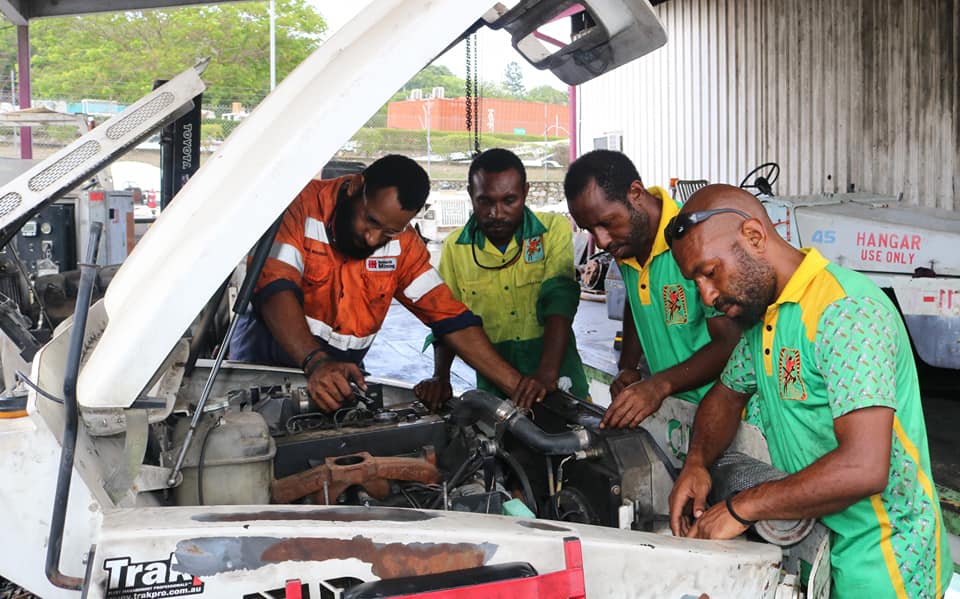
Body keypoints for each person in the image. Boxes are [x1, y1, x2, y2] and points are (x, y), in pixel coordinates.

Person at [666, 184, 951, 598]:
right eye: (695, 282)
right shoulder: (768, 316)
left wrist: (741, 507)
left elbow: (863, 467)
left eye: (709, 272)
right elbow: (726, 395)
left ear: (754, 236)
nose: (706, 296)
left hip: (884, 568)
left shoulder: (845, 313)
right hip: (816, 547)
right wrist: (697, 463)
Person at [230, 154, 545, 412]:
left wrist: (520, 389)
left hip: (338, 382)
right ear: (356, 187)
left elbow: (450, 318)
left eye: (388, 232)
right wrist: (316, 361)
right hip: (262, 374)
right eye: (370, 221)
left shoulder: (403, 244)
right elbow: (275, 287)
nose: (372, 239)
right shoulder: (300, 207)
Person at [563, 150, 741, 428]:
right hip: (677, 411)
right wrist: (628, 366)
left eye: (606, 223)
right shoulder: (626, 247)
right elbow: (637, 302)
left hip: (728, 416)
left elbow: (730, 342)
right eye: (589, 229)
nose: (601, 241)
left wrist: (659, 385)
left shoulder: (695, 239)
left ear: (635, 193)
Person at [415, 149, 588, 410]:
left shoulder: (552, 230)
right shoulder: (455, 247)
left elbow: (559, 300)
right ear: (470, 194)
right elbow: (446, 319)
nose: (497, 213)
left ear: (525, 192)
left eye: (509, 200)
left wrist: (546, 373)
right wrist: (441, 376)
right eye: (485, 201)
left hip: (559, 378)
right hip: (495, 389)